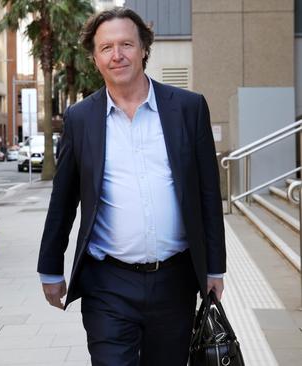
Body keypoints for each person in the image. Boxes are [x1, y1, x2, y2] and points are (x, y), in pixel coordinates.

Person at [37, 8, 225, 366]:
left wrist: (214, 268)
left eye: (126, 44)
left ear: (144, 50)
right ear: (94, 58)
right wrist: (49, 267)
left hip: (175, 280)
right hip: (107, 282)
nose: (117, 54)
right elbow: (63, 199)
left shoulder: (188, 108)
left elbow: (207, 196)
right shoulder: (80, 119)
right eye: (106, 47)